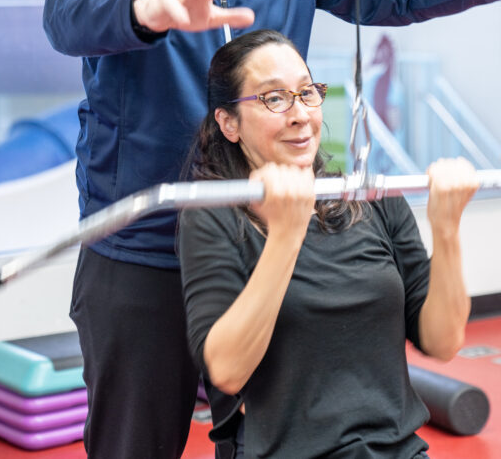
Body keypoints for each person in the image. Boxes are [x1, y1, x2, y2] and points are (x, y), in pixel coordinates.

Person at [42, 0, 501, 456]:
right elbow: (68, 9)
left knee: (277, 438)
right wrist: (149, 9)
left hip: (269, 234)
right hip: (144, 254)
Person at [178, 29, 479, 458]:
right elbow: (226, 371)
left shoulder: (368, 198)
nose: (300, 114)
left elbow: (444, 341)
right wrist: (285, 235)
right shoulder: (213, 216)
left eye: (307, 92)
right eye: (274, 99)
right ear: (229, 123)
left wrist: (447, 230)